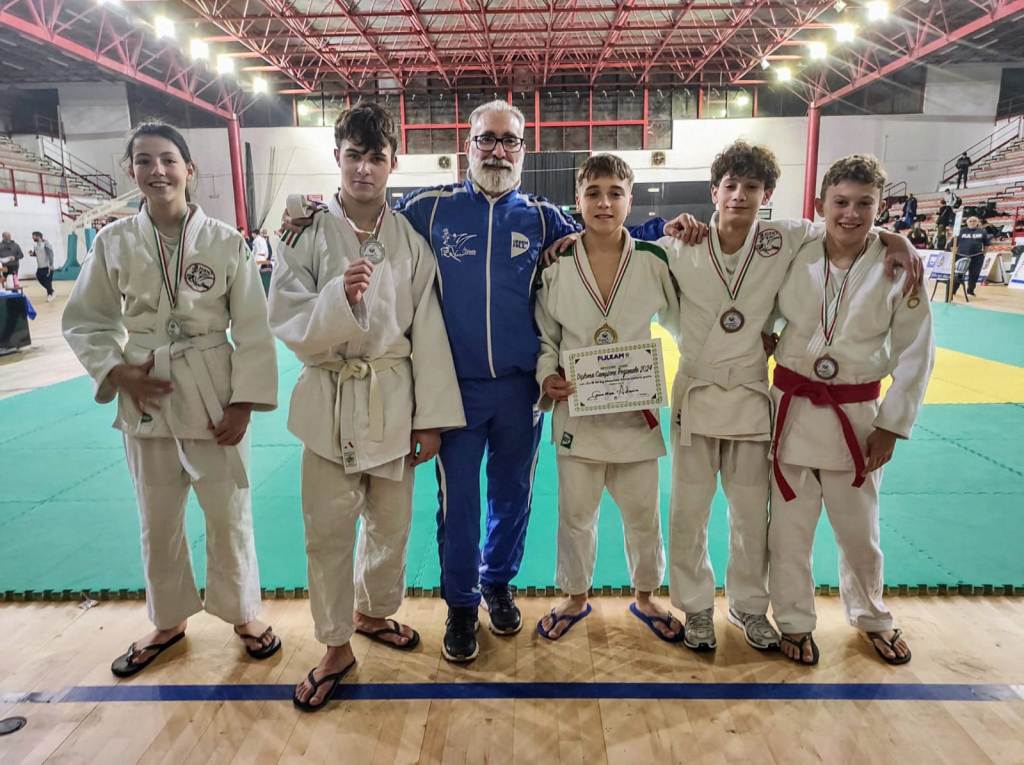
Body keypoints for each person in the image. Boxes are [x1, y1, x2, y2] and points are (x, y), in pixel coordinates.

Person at [651, 141, 923, 653]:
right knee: (691, 511)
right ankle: (698, 607)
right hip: (703, 391)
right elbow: (629, 256)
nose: (739, 195)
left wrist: (897, 238)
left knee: (754, 515)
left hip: (762, 395)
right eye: (730, 186)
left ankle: (750, 606)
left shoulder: (785, 239)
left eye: (751, 187)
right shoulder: (681, 245)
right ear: (714, 191)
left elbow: (849, 227)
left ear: (767, 194)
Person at [61, 121, 281, 678]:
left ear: (189, 169)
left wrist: (244, 403)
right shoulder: (113, 242)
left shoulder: (226, 242)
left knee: (227, 510)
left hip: (213, 389)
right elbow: (85, 320)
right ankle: (168, 620)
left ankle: (243, 614)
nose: (156, 170)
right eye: (143, 160)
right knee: (157, 514)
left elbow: (253, 329)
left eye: (167, 159)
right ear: (130, 171)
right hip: (146, 388)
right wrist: (117, 371)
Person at [268, 102, 465, 712]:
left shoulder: (410, 241)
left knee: (391, 523)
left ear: (392, 163)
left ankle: (373, 613)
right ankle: (335, 646)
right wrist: (339, 299)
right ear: (337, 158)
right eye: (353, 156)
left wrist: (431, 420)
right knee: (327, 532)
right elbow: (285, 314)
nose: (363, 169)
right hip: (329, 399)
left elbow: (428, 331)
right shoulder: (303, 232)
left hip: (392, 400)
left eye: (375, 157)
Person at [767, 154, 934, 667]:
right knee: (788, 531)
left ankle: (871, 615)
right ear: (820, 204)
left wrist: (892, 425)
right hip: (791, 411)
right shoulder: (793, 248)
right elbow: (749, 279)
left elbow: (917, 351)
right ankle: (793, 620)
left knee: (860, 532)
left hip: (858, 418)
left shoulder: (898, 267)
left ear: (880, 209)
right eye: (840, 202)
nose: (851, 214)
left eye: (865, 204)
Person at [533, 154, 681, 642]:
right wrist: (547, 376)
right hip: (579, 411)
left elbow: (686, 322)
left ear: (630, 201)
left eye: (615, 193)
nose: (604, 203)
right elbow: (547, 337)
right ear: (577, 200)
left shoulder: (653, 260)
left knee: (643, 514)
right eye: (593, 193)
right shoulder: (556, 266)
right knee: (576, 515)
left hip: (636, 414)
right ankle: (575, 596)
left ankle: (647, 594)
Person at [954, 215, 991, 295]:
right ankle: (953, 290)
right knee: (958, 275)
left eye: (974, 221)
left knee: (974, 275)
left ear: (977, 222)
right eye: (970, 221)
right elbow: (953, 244)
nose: (972, 222)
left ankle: (970, 291)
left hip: (977, 257)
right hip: (961, 256)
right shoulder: (961, 231)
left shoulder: (982, 231)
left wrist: (984, 254)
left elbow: (986, 244)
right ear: (967, 222)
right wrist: (955, 254)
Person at [31, 231, 55, 302]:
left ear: (38, 236)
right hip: (40, 267)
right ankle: (52, 291)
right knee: (39, 277)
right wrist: (32, 254)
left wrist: (51, 265)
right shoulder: (35, 245)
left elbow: (50, 254)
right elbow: (37, 254)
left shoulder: (46, 244)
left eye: (33, 236)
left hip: (47, 266)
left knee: (47, 281)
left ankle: (50, 294)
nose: (32, 238)